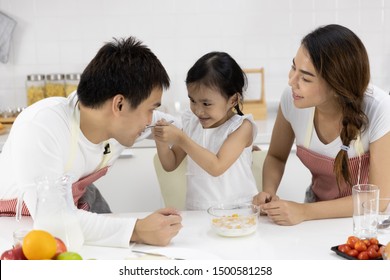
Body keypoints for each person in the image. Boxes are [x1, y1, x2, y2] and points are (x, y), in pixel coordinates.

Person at [0, 37, 182, 247]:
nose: (152, 120)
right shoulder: (42, 124)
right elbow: (52, 219)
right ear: (119, 104)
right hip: (17, 224)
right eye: (150, 109)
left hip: (75, 208)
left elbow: (184, 127)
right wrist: (137, 229)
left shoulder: (122, 122)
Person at [252, 24, 390, 225]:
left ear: (336, 87)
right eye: (293, 67)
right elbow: (276, 156)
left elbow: (378, 199)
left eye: (305, 78)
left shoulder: (378, 107)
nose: (292, 81)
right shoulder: (291, 100)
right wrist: (268, 192)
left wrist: (305, 211)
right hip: (316, 214)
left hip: (369, 223)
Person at [153, 52, 258, 210]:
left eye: (206, 104)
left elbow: (216, 167)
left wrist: (181, 138)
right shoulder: (191, 122)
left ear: (233, 100)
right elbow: (170, 163)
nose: (198, 110)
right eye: (192, 100)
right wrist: (160, 140)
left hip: (238, 212)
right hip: (198, 211)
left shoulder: (242, 127)